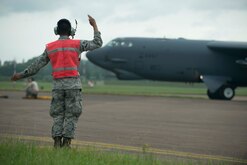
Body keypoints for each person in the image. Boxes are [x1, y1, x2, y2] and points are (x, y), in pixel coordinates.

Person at [11, 15, 103, 148]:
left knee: (58, 115)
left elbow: (36, 65)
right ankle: (66, 144)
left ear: (56, 31)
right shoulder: (78, 44)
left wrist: (20, 75)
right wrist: (94, 25)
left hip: (57, 87)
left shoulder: (50, 47)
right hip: (73, 86)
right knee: (72, 115)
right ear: (71, 31)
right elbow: (97, 43)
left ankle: (56, 143)